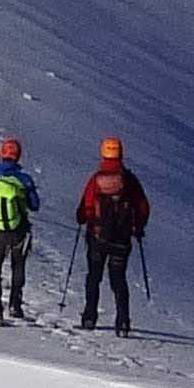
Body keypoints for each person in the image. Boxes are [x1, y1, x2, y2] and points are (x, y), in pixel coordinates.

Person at [75, 135, 150, 335]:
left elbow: (85, 207)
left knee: (94, 277)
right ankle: (123, 321)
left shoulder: (96, 180)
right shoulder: (129, 181)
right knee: (118, 279)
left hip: (98, 237)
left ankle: (89, 317)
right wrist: (138, 227)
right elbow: (143, 207)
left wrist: (83, 218)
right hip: (122, 239)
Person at [0, 136, 41, 325]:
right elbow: (35, 205)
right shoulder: (24, 180)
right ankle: (15, 305)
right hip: (18, 232)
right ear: (18, 156)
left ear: (1, 154)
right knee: (18, 267)